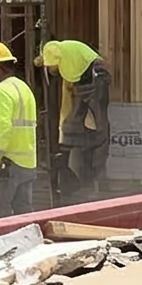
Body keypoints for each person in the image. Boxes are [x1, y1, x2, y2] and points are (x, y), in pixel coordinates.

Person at [40, 38, 111, 195]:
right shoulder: (61, 52)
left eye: (53, 68)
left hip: (95, 77)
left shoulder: (70, 65)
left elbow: (73, 82)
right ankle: (81, 172)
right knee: (80, 121)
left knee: (94, 126)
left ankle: (89, 177)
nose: (53, 71)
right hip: (91, 75)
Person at [0, 41, 38, 216]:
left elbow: (3, 127)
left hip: (7, 164)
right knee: (24, 216)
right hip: (27, 164)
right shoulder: (24, 88)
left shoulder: (1, 91)